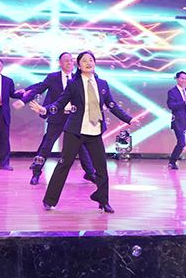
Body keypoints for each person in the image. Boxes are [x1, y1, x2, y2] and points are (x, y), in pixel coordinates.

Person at [29, 51, 140, 213]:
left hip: (94, 132)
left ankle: (103, 201)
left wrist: (128, 119)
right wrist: (44, 109)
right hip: (75, 131)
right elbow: (60, 103)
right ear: (79, 66)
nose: (88, 63)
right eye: (84, 61)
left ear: (94, 63)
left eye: (91, 60)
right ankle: (49, 200)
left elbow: (112, 105)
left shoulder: (102, 84)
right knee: (64, 165)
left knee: (101, 168)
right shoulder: (73, 84)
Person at [13, 52, 96, 185]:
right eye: (66, 61)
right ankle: (36, 173)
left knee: (81, 147)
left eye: (71, 61)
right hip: (56, 116)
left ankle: (90, 173)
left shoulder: (78, 77)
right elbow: (39, 88)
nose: (70, 63)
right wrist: (23, 101)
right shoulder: (53, 77)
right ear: (60, 63)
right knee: (47, 145)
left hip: (73, 117)